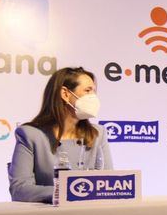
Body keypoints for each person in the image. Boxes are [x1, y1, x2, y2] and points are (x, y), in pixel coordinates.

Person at [8, 67, 113, 203]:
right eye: (87, 91)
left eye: (94, 91)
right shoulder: (30, 135)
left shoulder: (98, 133)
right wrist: (70, 192)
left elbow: (109, 183)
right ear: (65, 94)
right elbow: (20, 190)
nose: (94, 97)